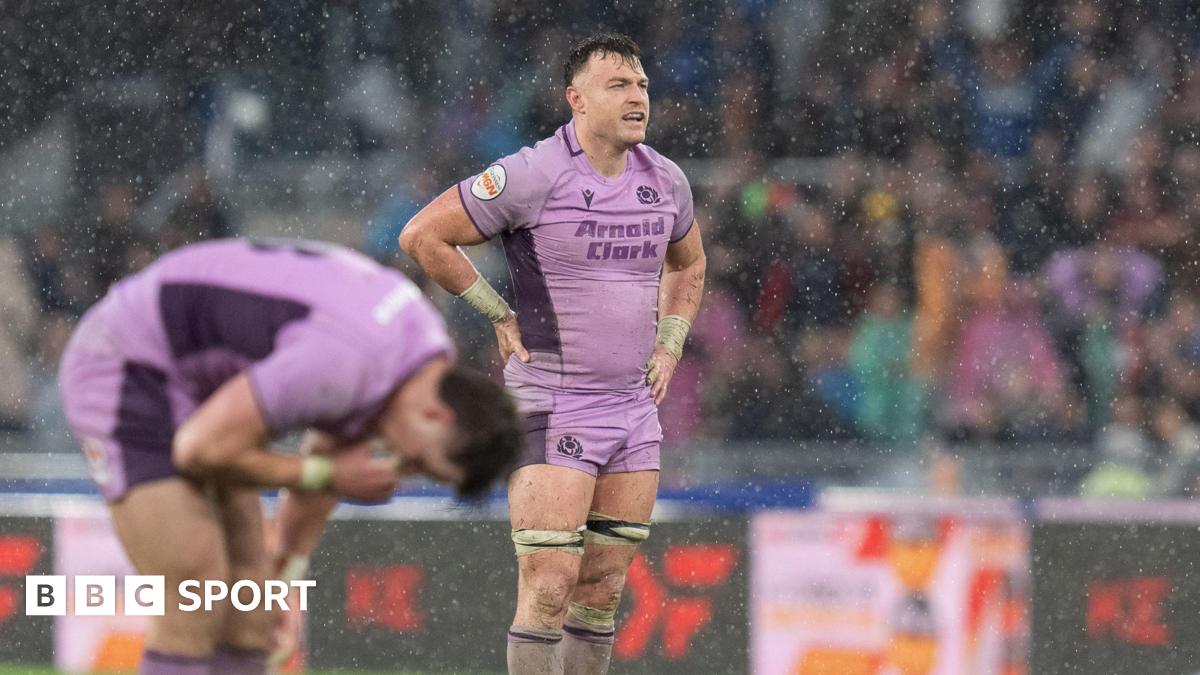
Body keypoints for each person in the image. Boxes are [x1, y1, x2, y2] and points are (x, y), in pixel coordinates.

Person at [58, 238, 522, 675]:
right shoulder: (347, 362)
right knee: (195, 590)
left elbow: (326, 452)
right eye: (420, 462)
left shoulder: (419, 352)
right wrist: (330, 473)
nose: (402, 469)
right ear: (437, 415)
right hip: (128, 363)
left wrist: (284, 576)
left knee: (250, 607)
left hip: (202, 386)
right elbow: (200, 449)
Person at [400, 32, 707, 675]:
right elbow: (424, 235)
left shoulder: (666, 180)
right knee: (548, 585)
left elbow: (691, 262)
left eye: (642, 85)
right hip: (554, 401)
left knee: (601, 594)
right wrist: (496, 312)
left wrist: (670, 344)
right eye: (617, 85)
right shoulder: (533, 172)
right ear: (577, 100)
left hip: (632, 408)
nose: (636, 97)